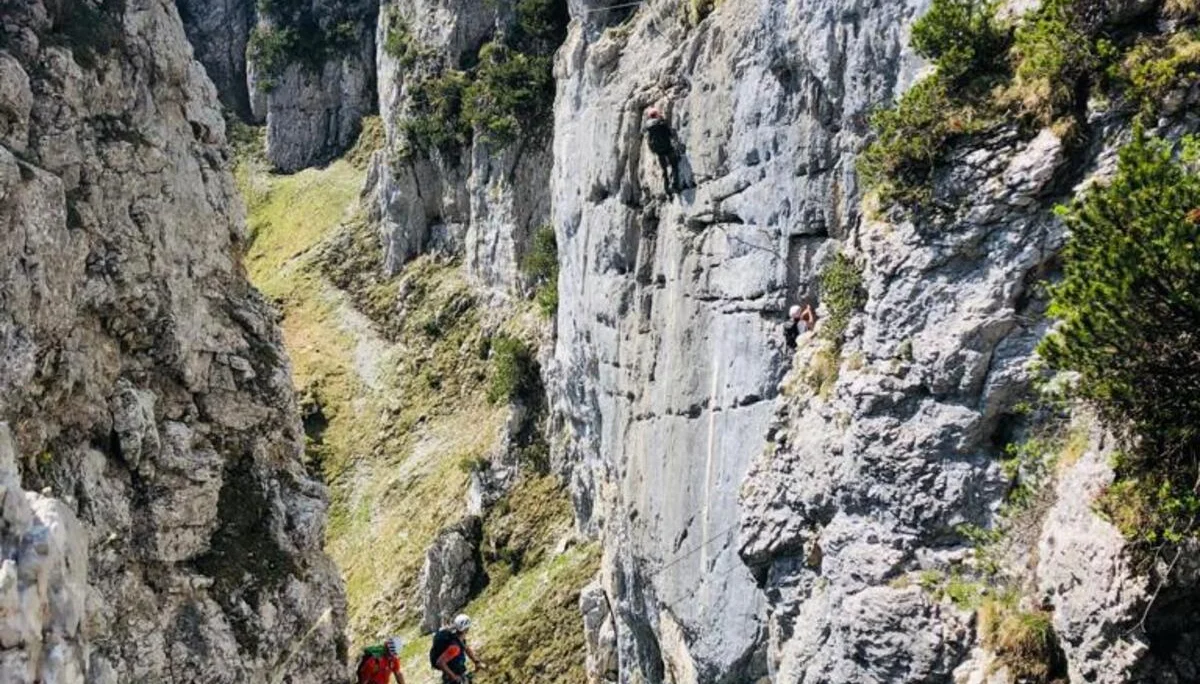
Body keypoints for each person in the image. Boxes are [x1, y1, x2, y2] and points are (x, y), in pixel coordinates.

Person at [430, 614, 485, 684]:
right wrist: (455, 677)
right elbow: (440, 663)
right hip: (452, 678)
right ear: (466, 629)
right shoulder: (455, 648)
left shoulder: (459, 639)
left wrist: (476, 662)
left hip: (458, 673)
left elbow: (466, 648)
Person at [642, 107, 682, 195]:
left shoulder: (648, 127)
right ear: (656, 114)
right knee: (674, 164)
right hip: (667, 147)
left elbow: (648, 139)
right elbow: (670, 133)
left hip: (658, 151)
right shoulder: (661, 123)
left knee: (664, 169)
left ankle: (667, 188)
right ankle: (675, 185)